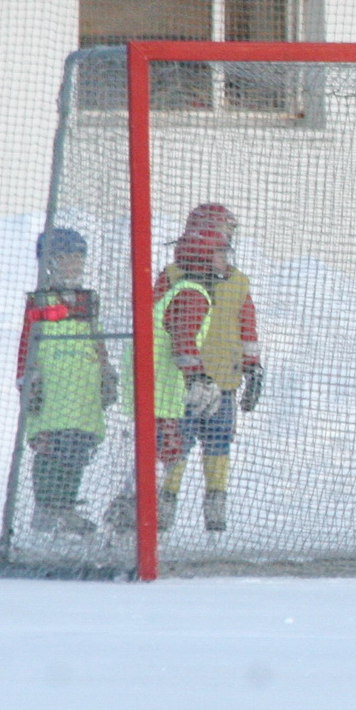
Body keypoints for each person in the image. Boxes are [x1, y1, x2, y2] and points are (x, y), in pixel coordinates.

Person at [106, 227, 228, 536]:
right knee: (163, 452)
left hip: (153, 388)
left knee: (161, 453)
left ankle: (128, 517)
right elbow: (183, 341)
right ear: (202, 257)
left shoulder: (181, 289)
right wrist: (199, 378)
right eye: (219, 253)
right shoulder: (192, 294)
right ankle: (128, 519)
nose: (224, 260)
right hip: (158, 391)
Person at [152, 205, 263, 533]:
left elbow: (248, 327)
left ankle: (216, 501)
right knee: (176, 443)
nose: (227, 242)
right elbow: (159, 322)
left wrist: (253, 368)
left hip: (224, 379)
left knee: (219, 442)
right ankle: (163, 502)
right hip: (182, 382)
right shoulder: (175, 277)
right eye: (223, 234)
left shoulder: (237, 281)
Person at [17, 228, 117, 535]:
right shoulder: (40, 302)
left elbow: (96, 337)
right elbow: (27, 344)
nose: (74, 266)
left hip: (83, 390)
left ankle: (66, 508)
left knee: (78, 448)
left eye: (78, 259)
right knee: (52, 448)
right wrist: (27, 379)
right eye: (65, 259)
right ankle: (48, 508)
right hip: (53, 390)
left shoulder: (88, 301)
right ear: (49, 263)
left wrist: (106, 371)